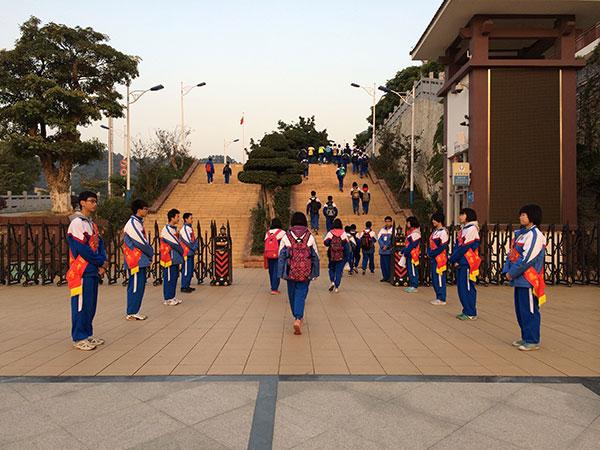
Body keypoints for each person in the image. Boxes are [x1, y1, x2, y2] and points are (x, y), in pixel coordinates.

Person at [66, 191, 107, 351]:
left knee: (90, 305)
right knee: (81, 304)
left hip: (92, 270)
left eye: (96, 201)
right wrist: (99, 261)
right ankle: (79, 337)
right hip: (81, 270)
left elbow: (99, 244)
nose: (94, 204)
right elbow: (82, 249)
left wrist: (102, 263)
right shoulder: (77, 223)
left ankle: (87, 333)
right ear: (82, 203)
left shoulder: (91, 224)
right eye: (91, 201)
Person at [503, 204, 546, 351]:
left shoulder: (535, 235)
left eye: (524, 215)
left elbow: (527, 259)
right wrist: (507, 270)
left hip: (528, 279)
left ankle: (532, 339)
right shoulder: (522, 234)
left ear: (532, 217)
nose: (521, 217)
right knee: (521, 310)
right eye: (521, 214)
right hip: (519, 279)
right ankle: (525, 336)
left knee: (530, 310)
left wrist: (512, 273)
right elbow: (512, 254)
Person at [278, 212, 320, 335]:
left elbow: (281, 255)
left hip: (290, 271)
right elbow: (315, 256)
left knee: (292, 294)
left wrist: (281, 273)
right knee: (301, 294)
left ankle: (297, 315)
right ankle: (298, 317)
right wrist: (315, 273)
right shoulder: (309, 236)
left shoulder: (286, 236)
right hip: (305, 272)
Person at [122, 199, 154, 321]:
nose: (146, 211)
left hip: (140, 260)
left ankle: (135, 310)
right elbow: (140, 242)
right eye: (145, 208)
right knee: (135, 285)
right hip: (135, 260)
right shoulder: (132, 223)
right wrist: (150, 252)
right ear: (138, 210)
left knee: (140, 285)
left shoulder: (138, 222)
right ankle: (131, 312)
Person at [449, 208, 481, 321]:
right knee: (461, 288)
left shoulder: (472, 228)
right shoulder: (464, 228)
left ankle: (470, 312)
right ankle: (466, 310)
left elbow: (465, 247)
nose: (460, 217)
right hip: (461, 261)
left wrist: (454, 258)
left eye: (462, 214)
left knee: (467, 287)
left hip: (467, 262)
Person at [160, 208, 184, 306]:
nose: (178, 219)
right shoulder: (166, 230)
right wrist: (182, 251)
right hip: (169, 258)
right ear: (172, 217)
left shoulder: (174, 229)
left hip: (175, 258)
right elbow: (175, 244)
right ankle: (168, 298)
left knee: (174, 277)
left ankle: (172, 296)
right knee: (169, 278)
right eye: (177, 217)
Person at [427, 212, 449, 306]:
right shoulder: (435, 231)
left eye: (434, 219)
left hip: (440, 259)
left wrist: (433, 253)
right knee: (435, 278)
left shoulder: (443, 232)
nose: (433, 221)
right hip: (434, 258)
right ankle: (438, 296)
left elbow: (442, 247)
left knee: (439, 278)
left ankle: (441, 298)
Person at [324, 218, 351, 292]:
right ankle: (336, 287)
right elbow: (347, 247)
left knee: (331, 269)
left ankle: (332, 281)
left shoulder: (330, 233)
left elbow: (326, 243)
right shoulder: (343, 233)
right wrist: (347, 257)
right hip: (341, 256)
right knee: (339, 271)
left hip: (332, 255)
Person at [264, 218, 286, 294]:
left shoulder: (267, 233)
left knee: (271, 271)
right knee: (276, 271)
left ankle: (272, 287)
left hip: (269, 254)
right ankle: (274, 288)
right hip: (278, 255)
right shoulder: (282, 232)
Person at [179, 212, 199, 293]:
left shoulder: (189, 228)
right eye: (191, 218)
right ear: (186, 219)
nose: (192, 220)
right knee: (186, 269)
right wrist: (194, 248)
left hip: (190, 252)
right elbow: (188, 241)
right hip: (186, 253)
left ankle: (187, 285)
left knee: (190, 269)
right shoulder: (184, 229)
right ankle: (184, 286)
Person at [401, 216, 421, 292]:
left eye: (408, 222)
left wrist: (405, 252)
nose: (407, 224)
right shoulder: (411, 232)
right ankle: (412, 284)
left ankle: (414, 285)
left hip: (413, 255)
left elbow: (412, 245)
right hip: (409, 254)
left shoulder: (416, 233)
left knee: (413, 270)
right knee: (410, 270)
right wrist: (403, 251)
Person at [378, 216, 394, 282]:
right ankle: (385, 277)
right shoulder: (382, 230)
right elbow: (379, 239)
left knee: (388, 265)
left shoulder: (393, 230)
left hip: (389, 251)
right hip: (382, 251)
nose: (387, 223)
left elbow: (392, 240)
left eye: (389, 221)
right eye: (386, 221)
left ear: (391, 222)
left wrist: (387, 246)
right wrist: (382, 246)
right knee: (383, 265)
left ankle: (389, 277)